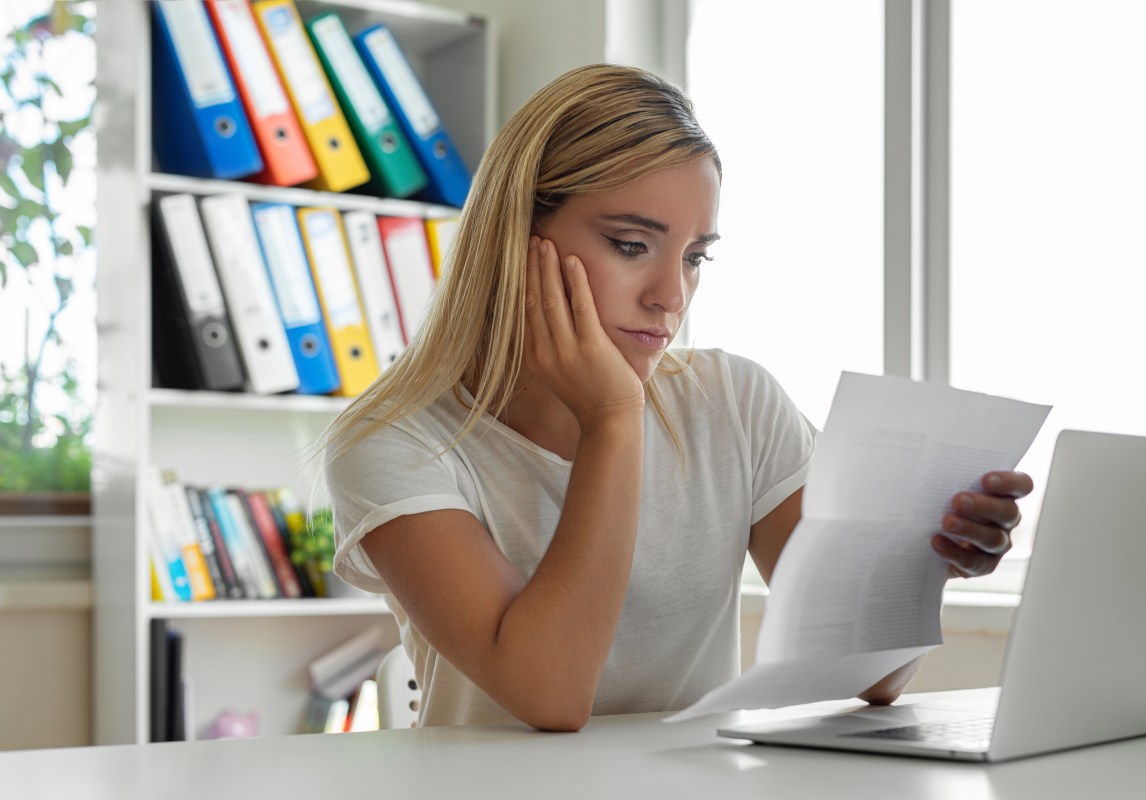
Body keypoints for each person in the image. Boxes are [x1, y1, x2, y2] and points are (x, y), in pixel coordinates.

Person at [319, 64, 1032, 732]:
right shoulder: (395, 442)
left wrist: (920, 561)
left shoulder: (735, 403)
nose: (672, 296)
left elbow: (870, 674)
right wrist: (611, 420)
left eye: (695, 257)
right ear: (516, 238)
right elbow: (550, 693)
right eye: (632, 245)